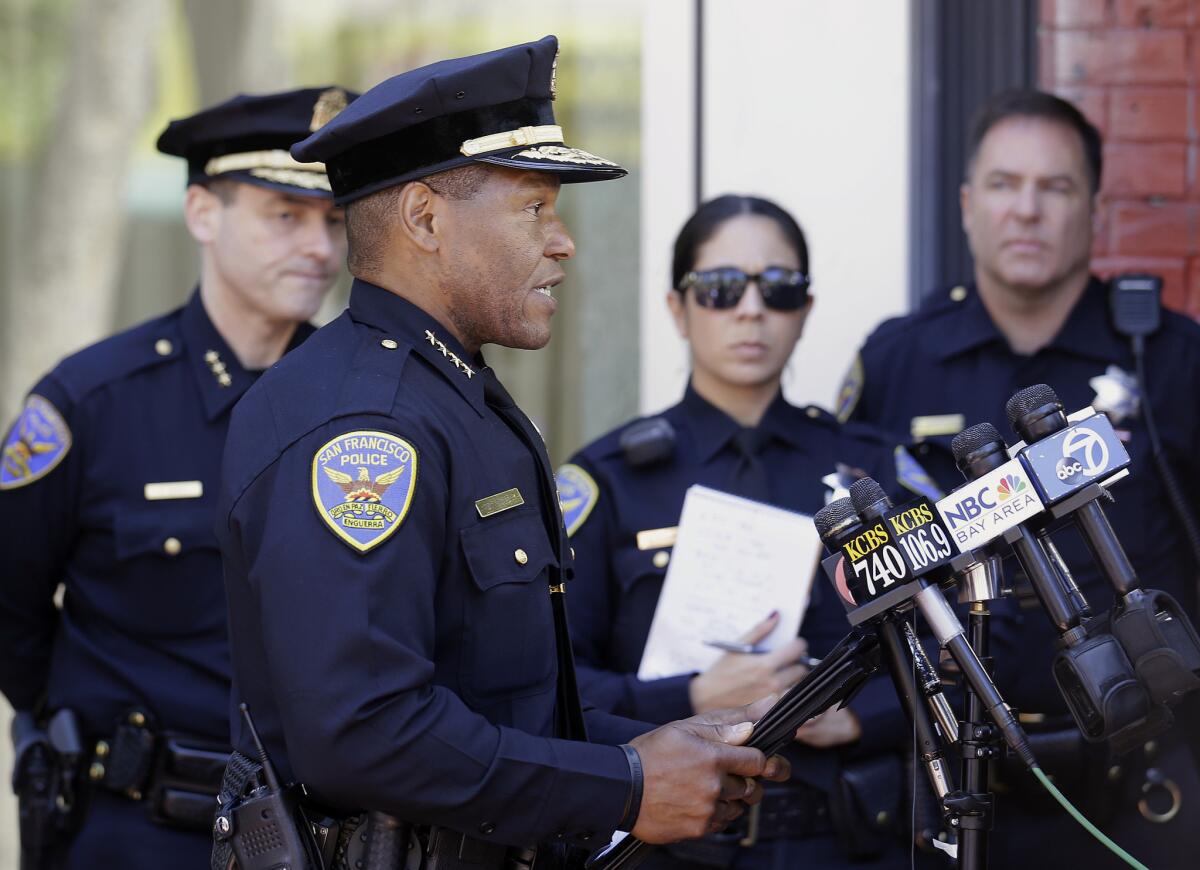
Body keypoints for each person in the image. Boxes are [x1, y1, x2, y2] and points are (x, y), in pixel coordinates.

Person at [212, 37, 790, 870]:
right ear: (424, 219)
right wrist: (625, 787)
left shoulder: (452, 396)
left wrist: (659, 746)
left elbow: (500, 706)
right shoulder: (364, 428)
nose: (564, 243)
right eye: (534, 209)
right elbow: (365, 735)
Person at [840, 88, 1200, 867]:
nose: (1027, 210)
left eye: (1056, 187)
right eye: (1005, 185)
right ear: (969, 205)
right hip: (954, 793)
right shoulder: (899, 359)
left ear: (1094, 208)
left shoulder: (1172, 358)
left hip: (1146, 788)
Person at [0, 86, 355, 868]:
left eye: (334, 221)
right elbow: (11, 612)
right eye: (283, 216)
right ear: (202, 213)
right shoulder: (90, 404)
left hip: (317, 837)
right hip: (131, 831)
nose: (320, 249)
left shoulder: (364, 406)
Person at [558, 194, 935, 868]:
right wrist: (692, 698)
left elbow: (960, 650)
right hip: (669, 849)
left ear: (806, 309)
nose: (751, 309)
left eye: (780, 288)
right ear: (678, 308)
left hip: (845, 841)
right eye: (721, 288)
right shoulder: (609, 480)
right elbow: (552, 689)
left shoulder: (872, 474)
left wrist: (856, 717)